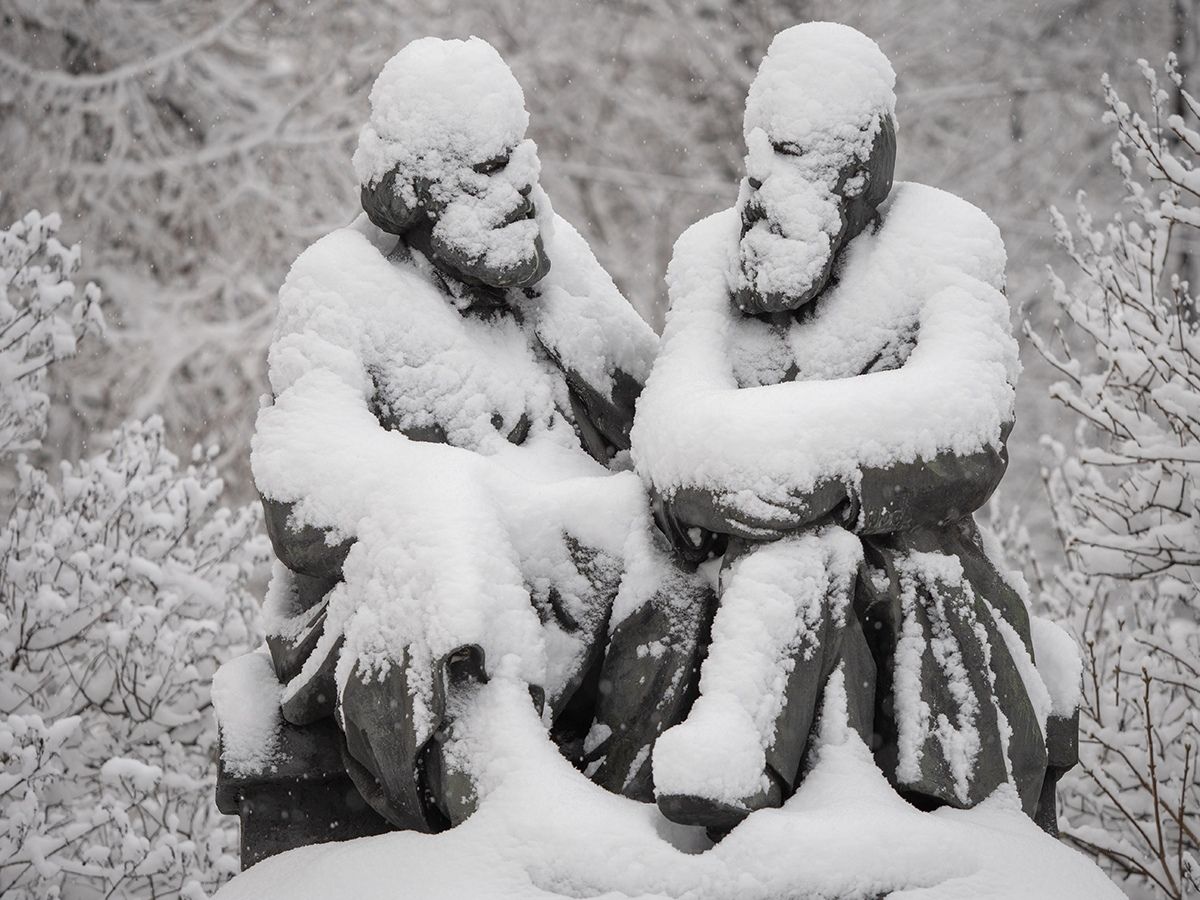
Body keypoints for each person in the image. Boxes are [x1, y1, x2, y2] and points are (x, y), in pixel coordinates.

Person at [245, 36, 708, 835]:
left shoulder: (552, 267)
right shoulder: (342, 283)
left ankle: (622, 818)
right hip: (428, 591)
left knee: (672, 551)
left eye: (522, 154)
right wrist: (462, 499)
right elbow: (298, 484)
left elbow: (665, 406)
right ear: (417, 190)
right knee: (443, 541)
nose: (524, 183)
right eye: (490, 169)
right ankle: (506, 820)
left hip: (578, 582)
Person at [630, 21, 1075, 831]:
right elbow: (671, 442)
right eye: (757, 147)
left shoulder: (944, 243)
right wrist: (803, 474)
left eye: (792, 151)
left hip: (911, 579)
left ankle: (744, 742)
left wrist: (790, 479)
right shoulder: (710, 258)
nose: (760, 176)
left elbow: (966, 426)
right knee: (796, 553)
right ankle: (732, 744)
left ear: (862, 166)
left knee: (816, 549)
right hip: (719, 580)